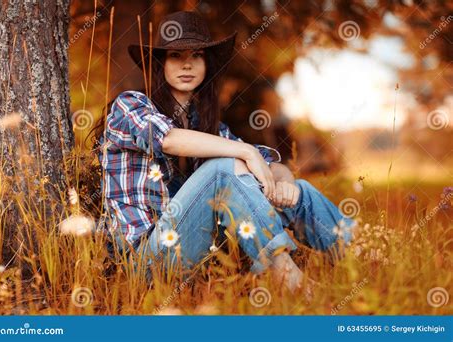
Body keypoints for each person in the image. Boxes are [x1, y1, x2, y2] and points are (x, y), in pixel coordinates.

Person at [91, 11, 357, 293]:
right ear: (160, 63)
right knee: (222, 170)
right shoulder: (130, 105)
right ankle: (283, 272)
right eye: (175, 56)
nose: (187, 65)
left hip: (192, 251)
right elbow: (167, 139)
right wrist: (244, 152)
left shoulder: (209, 128)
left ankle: (358, 255)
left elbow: (268, 163)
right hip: (144, 263)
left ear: (207, 64)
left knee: (299, 190)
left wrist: (285, 182)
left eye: (197, 55)